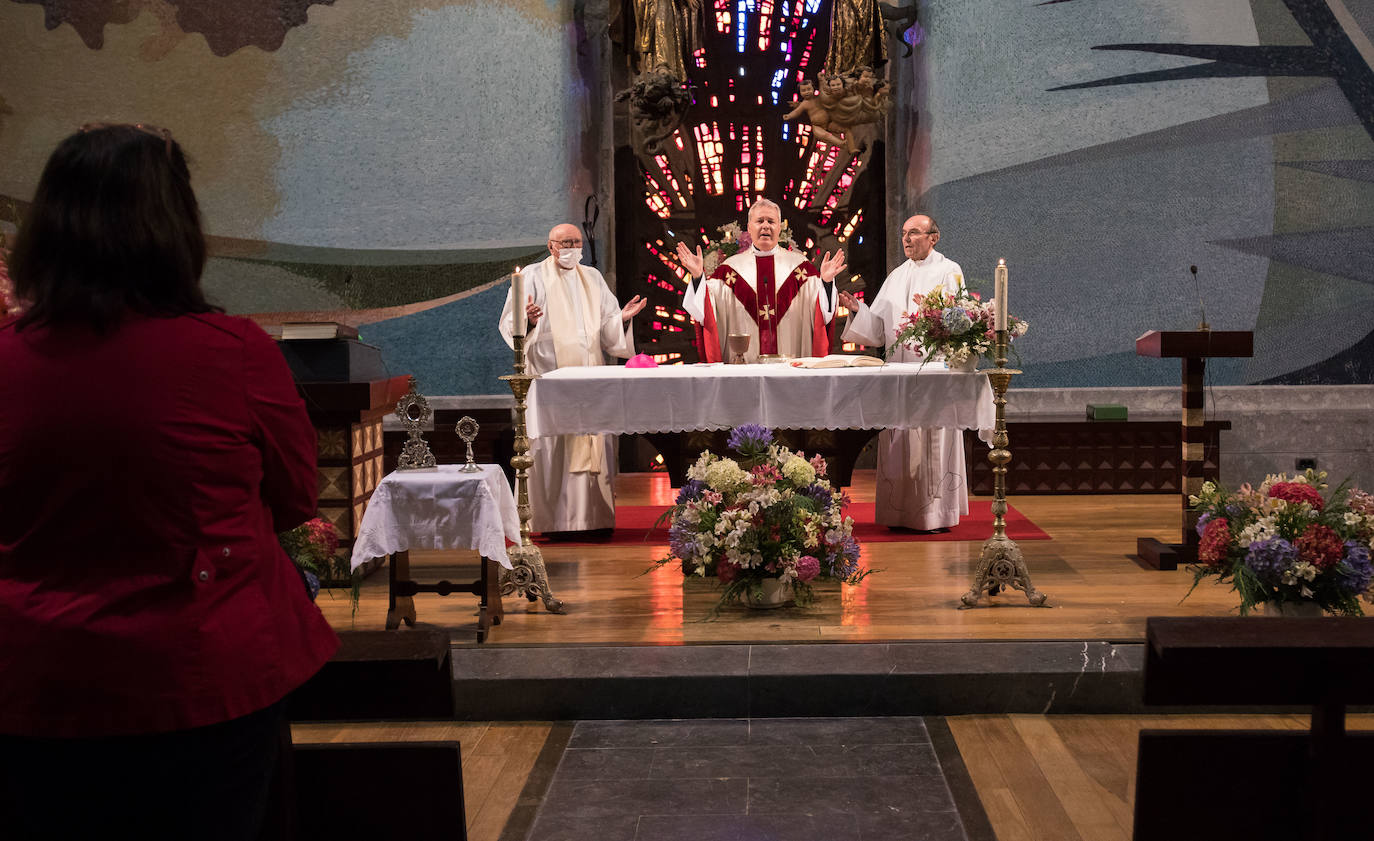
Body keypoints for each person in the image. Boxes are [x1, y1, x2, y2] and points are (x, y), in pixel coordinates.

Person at [0, 124, 339, 839]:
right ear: (175, 226)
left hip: (37, 679)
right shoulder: (232, 353)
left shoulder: (9, 361)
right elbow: (296, 499)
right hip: (201, 676)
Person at [499, 223, 646, 535]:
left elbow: (605, 328)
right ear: (551, 245)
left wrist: (621, 318)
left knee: (591, 441)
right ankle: (553, 522)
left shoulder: (591, 277)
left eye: (577, 242)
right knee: (554, 447)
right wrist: (528, 320)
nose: (573, 248)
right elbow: (510, 323)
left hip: (589, 380)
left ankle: (595, 521)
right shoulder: (532, 275)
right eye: (566, 242)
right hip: (551, 381)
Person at [839, 213, 970, 532]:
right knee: (900, 440)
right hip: (900, 372)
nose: (907, 239)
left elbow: (959, 321)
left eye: (914, 233)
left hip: (933, 373)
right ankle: (899, 513)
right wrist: (858, 311)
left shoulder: (949, 271)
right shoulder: (897, 275)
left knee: (933, 438)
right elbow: (878, 330)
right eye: (903, 234)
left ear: (933, 237)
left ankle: (936, 514)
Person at [675, 197, 846, 363]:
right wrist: (698, 277)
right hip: (744, 373)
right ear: (749, 227)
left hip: (791, 372)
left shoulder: (801, 268)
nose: (766, 226)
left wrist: (826, 283)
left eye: (771, 222)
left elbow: (823, 311)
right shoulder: (729, 270)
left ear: (780, 228)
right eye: (760, 221)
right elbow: (704, 310)